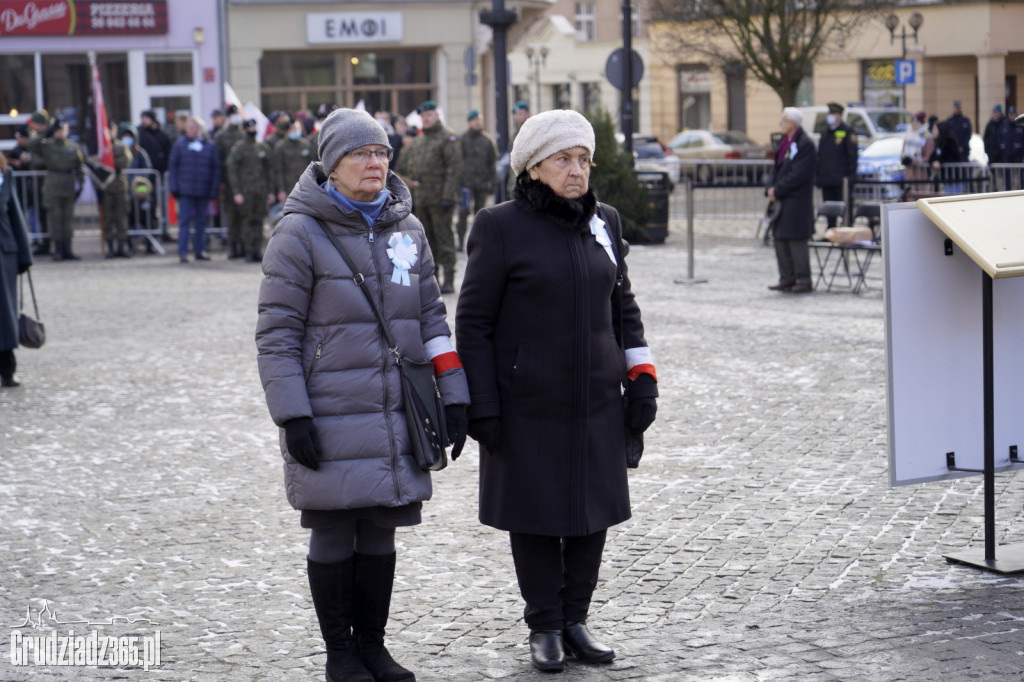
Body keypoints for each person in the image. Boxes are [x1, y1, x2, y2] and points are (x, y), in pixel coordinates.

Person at [255, 107, 469, 682]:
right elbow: (275, 336)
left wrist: (455, 394)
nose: (375, 164)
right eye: (360, 154)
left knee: (380, 528)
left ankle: (373, 647)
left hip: (395, 408)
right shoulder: (298, 233)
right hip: (328, 412)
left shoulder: (410, 229)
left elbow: (431, 319)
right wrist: (292, 415)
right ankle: (339, 655)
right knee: (333, 530)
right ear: (332, 164)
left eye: (381, 153)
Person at [455, 109, 658, 673]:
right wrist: (482, 405)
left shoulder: (606, 223)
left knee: (592, 513)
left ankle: (576, 619)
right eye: (564, 160)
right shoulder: (499, 226)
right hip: (528, 402)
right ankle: (543, 624)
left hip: (596, 398)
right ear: (533, 167)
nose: (577, 171)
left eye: (584, 160)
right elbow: (473, 323)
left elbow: (624, 309)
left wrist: (641, 381)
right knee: (538, 515)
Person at [403, 100, 462, 293]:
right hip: (423, 198)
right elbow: (413, 170)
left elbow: (454, 169)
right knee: (427, 241)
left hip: (441, 197)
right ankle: (433, 278)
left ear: (436, 115)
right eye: (423, 116)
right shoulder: (419, 140)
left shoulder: (448, 137)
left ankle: (449, 278)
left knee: (444, 237)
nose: (425, 119)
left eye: (429, 115)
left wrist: (448, 195)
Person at [766, 107, 817, 293]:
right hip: (781, 199)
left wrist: (778, 189)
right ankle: (786, 277)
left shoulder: (805, 144)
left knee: (796, 240)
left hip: (796, 200)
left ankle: (803, 278)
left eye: (784, 120)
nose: (781, 124)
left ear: (793, 123)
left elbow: (798, 174)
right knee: (780, 238)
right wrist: (770, 188)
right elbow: (776, 168)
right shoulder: (783, 142)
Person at [167, 115, 220, 263]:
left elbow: (215, 168)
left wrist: (212, 189)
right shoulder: (179, 145)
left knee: (200, 222)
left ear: (199, 129)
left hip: (203, 190)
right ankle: (182, 251)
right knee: (184, 221)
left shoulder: (209, 145)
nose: (190, 130)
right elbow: (173, 167)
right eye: (188, 127)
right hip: (185, 190)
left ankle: (199, 250)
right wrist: (174, 187)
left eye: (193, 127)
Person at [0, 152, 33, 388]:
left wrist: (25, 256)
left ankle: (7, 369)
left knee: (5, 315)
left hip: (4, 254)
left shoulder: (5, 175)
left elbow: (16, 217)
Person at [227, 119, 275, 263]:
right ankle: (248, 249)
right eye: (250, 127)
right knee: (247, 220)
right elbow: (232, 170)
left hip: (261, 190)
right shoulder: (239, 148)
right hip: (246, 190)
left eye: (255, 126)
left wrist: (271, 191)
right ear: (245, 129)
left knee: (259, 220)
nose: (253, 129)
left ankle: (257, 249)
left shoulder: (262, 147)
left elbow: (270, 171)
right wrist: (236, 192)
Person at [39, 117, 85, 262]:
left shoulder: (72, 146)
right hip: (53, 185)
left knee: (68, 219)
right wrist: (46, 132)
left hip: (69, 185)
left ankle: (68, 249)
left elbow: (79, 166)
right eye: (58, 130)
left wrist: (81, 185)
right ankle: (57, 250)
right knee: (56, 218)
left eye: (63, 130)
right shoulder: (48, 145)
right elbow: (31, 144)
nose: (61, 133)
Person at [456, 110, 497, 251]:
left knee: (480, 214)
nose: (477, 122)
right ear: (469, 122)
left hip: (482, 183)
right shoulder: (462, 140)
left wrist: (493, 182)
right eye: (474, 120)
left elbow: (492, 163)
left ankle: (480, 240)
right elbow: (457, 161)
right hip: (465, 184)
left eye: (479, 119)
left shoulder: (487, 140)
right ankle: (461, 241)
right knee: (463, 212)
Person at [815, 102, 857, 227]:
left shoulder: (848, 132)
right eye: (830, 113)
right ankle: (830, 231)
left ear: (840, 115)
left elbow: (852, 156)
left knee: (845, 207)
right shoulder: (825, 133)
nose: (831, 116)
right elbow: (820, 156)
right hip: (827, 178)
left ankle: (847, 230)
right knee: (829, 207)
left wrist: (850, 177)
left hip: (842, 179)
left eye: (834, 113)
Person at [215, 105, 246, 259]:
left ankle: (245, 246)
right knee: (232, 216)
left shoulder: (244, 134)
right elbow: (218, 161)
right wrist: (221, 181)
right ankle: (233, 247)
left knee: (244, 215)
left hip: (246, 182)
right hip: (229, 183)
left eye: (237, 114)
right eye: (232, 114)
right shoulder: (222, 136)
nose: (236, 117)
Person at [102, 126, 133, 258]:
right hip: (105, 187)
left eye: (111, 130)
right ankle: (110, 249)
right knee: (108, 220)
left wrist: (110, 163)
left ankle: (121, 247)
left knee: (121, 219)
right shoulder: (100, 148)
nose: (109, 133)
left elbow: (126, 161)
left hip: (119, 186)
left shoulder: (121, 146)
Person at [273, 119, 315, 205]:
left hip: (305, 186)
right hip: (289, 187)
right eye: (292, 129)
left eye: (297, 128)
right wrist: (281, 190)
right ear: (287, 131)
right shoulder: (281, 146)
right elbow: (278, 170)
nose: (295, 131)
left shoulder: (306, 145)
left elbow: (313, 167)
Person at [929, 120, 965, 193]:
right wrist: (933, 162)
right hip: (947, 179)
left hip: (955, 178)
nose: (933, 131)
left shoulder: (949, 141)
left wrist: (940, 162)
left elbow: (949, 156)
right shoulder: (938, 143)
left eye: (935, 129)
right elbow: (932, 157)